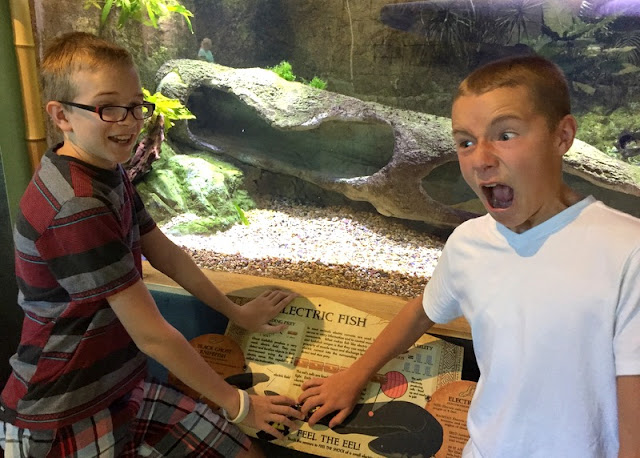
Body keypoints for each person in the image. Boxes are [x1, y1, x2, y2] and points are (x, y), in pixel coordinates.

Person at [298, 55, 640, 457]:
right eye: (465, 142)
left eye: (505, 135)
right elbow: (422, 311)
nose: (480, 159)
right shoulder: (468, 242)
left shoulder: (627, 251)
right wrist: (355, 374)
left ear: (562, 136)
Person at [0, 31, 302, 457]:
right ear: (62, 115)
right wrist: (240, 406)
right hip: (65, 408)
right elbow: (153, 335)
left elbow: (163, 251)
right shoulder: (77, 205)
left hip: (121, 385)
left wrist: (235, 312)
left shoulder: (106, 170)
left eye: (136, 105)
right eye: (108, 108)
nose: (128, 121)